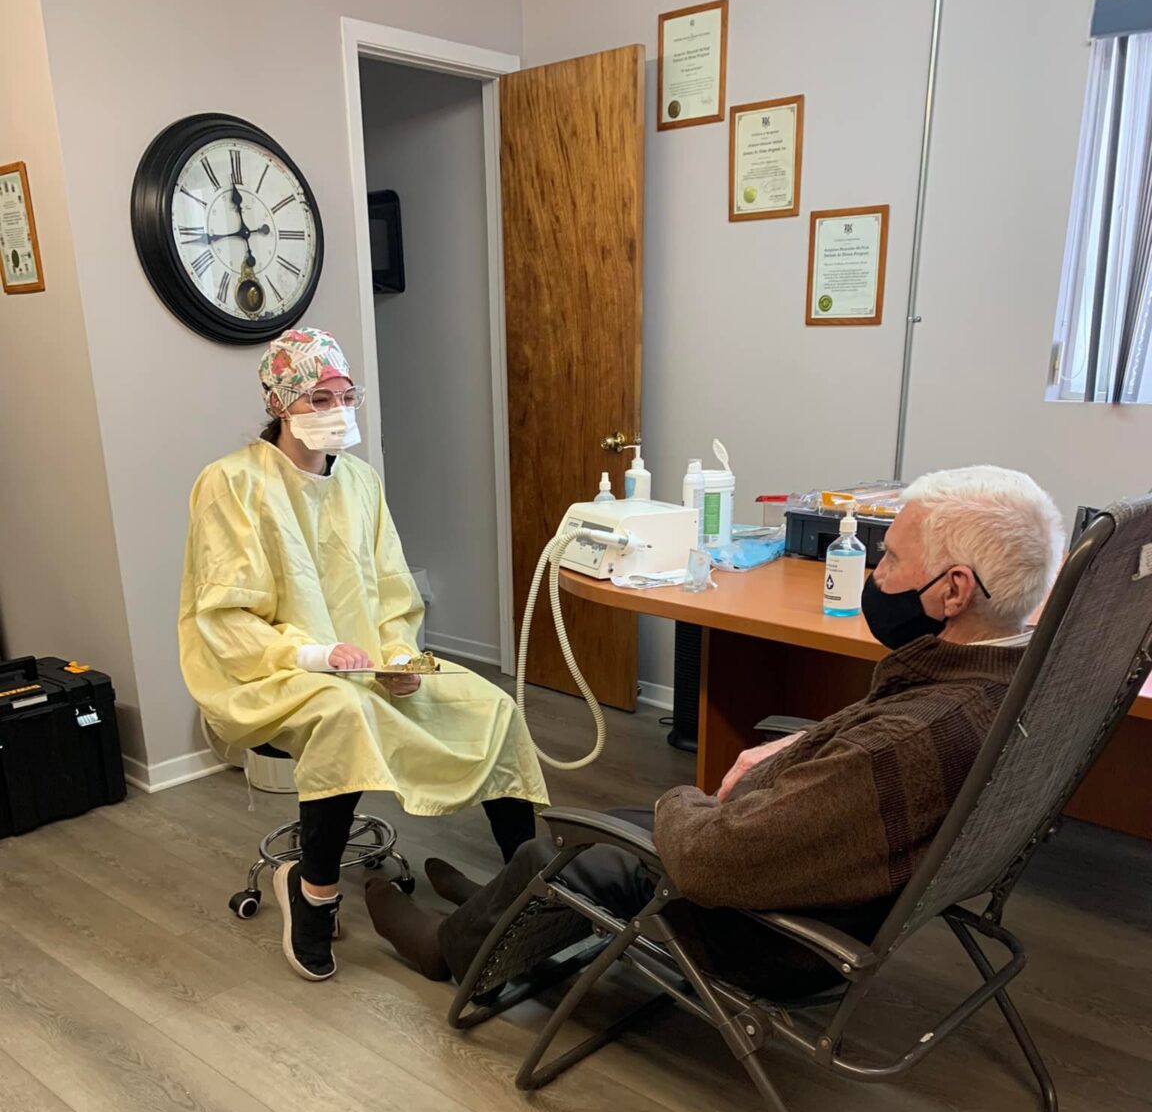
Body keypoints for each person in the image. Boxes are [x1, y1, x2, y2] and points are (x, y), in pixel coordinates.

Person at [366, 465, 1065, 997]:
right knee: (592, 842)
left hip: (777, 936)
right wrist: (807, 744)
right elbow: (875, 744)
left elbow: (706, 861)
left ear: (953, 590)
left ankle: (450, 951)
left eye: (890, 560)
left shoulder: (904, 742)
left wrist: (687, 797)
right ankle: (500, 911)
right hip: (847, 881)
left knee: (591, 845)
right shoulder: (1005, 676)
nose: (874, 573)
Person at [179, 327, 548, 983]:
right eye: (319, 397)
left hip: (370, 669)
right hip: (274, 674)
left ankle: (533, 887)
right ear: (279, 403)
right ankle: (313, 896)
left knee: (492, 708)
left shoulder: (361, 484)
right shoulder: (230, 485)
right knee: (344, 715)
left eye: (347, 396)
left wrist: (400, 656)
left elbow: (393, 593)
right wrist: (319, 654)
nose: (337, 410)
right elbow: (226, 617)